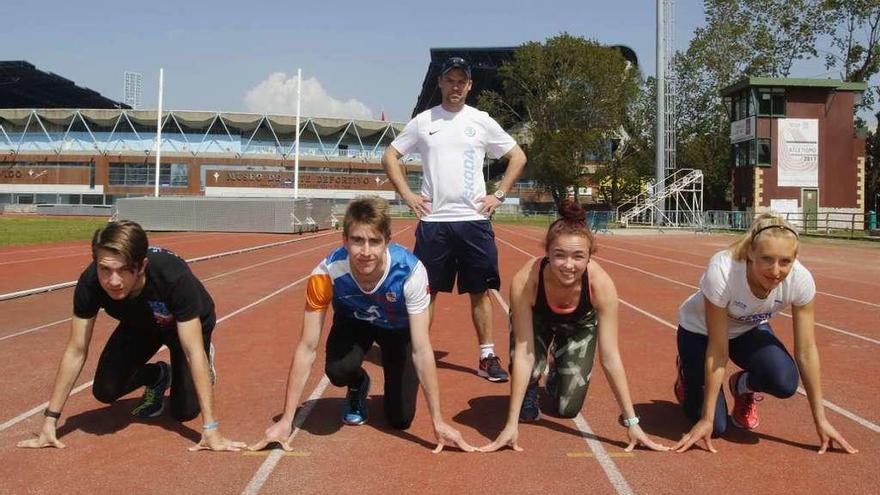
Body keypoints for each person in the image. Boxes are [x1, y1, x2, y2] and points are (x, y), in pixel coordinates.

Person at [249, 197, 474, 453]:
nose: (366, 252)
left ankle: (393, 392)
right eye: (357, 240)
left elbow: (422, 348)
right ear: (344, 240)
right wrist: (287, 420)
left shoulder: (411, 272)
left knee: (400, 420)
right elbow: (307, 346)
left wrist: (438, 420)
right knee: (338, 370)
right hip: (353, 323)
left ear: (387, 241)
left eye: (374, 241)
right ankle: (358, 383)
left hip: (397, 330)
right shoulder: (325, 274)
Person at [18, 220, 244, 452]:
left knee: (184, 412)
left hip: (184, 326)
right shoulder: (90, 283)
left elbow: (192, 351)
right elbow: (76, 350)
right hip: (140, 323)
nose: (113, 281)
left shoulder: (173, 276)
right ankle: (158, 374)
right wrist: (50, 421)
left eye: (124, 270)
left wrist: (211, 428)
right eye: (105, 269)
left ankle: (207, 361)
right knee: (105, 391)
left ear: (142, 266)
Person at [382, 56, 528, 382]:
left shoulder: (482, 120)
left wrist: (499, 194)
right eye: (450, 80)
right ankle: (418, 354)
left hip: (474, 221)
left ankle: (487, 356)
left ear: (470, 85)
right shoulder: (423, 121)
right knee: (427, 291)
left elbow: (517, 156)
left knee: (480, 291)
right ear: (440, 83)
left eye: (462, 80)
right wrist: (407, 195)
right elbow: (390, 155)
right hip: (434, 223)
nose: (456, 86)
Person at [481, 201, 667, 453]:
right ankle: (532, 385)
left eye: (578, 256)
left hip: (579, 324)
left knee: (567, 409)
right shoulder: (527, 280)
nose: (569, 265)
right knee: (531, 366)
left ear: (590, 256)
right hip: (538, 320)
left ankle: (558, 367)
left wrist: (632, 422)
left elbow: (611, 358)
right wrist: (510, 424)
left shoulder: (601, 285)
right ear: (547, 253)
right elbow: (524, 353)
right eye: (560, 255)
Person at [673, 213, 857, 454]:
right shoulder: (723, 270)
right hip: (701, 332)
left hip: (748, 328)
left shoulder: (801, 281)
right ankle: (687, 376)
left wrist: (820, 420)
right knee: (716, 427)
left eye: (785, 261)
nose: (776, 271)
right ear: (750, 253)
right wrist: (706, 419)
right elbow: (718, 350)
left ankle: (741, 385)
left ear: (795, 259)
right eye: (766, 259)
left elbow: (806, 351)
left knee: (783, 381)